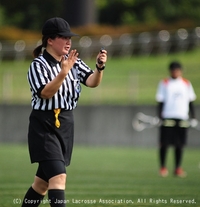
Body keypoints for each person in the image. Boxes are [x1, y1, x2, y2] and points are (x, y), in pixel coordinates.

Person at [21, 17, 107, 207]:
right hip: (43, 125)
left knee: (41, 184)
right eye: (63, 37)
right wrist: (63, 72)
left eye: (70, 37)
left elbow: (92, 81)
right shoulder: (39, 65)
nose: (69, 41)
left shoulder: (73, 62)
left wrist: (99, 67)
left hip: (66, 125)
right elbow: (45, 93)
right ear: (50, 40)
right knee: (59, 177)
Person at [155, 61, 197, 178]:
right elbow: (160, 101)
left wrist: (193, 117)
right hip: (167, 116)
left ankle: (177, 168)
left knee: (179, 144)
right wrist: (159, 116)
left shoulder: (186, 83)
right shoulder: (165, 83)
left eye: (177, 70)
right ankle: (163, 167)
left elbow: (190, 101)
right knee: (164, 143)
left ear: (181, 71)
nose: (175, 72)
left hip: (182, 116)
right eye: (173, 70)